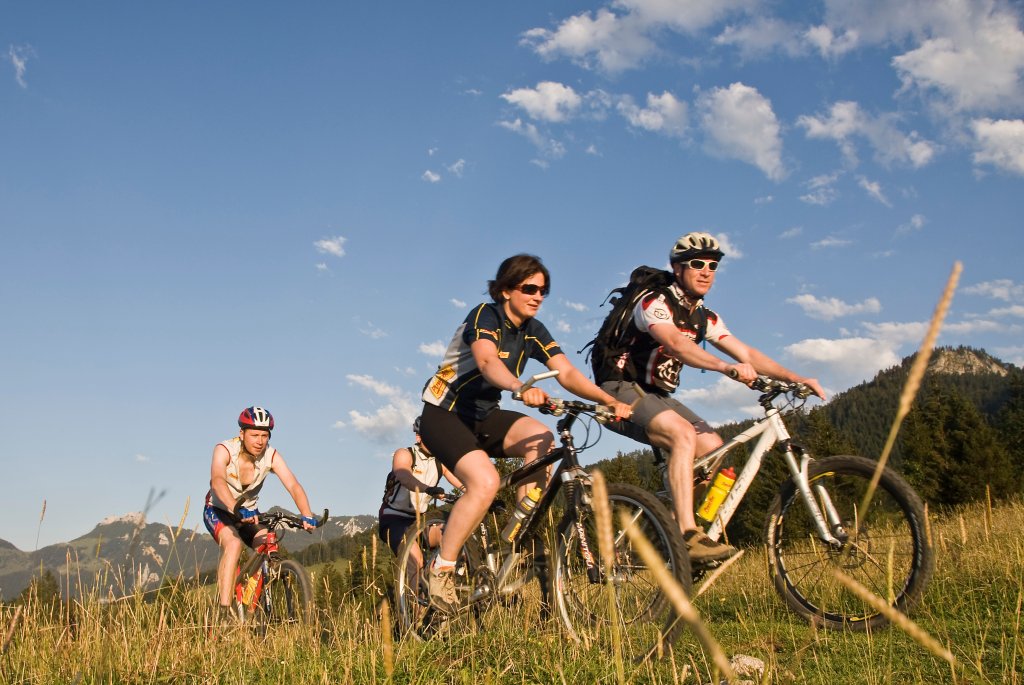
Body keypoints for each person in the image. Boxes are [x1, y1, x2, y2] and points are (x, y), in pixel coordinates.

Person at [418, 254, 633, 613]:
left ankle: (519, 533)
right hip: (444, 414)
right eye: (529, 288)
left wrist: (606, 400)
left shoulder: (534, 330)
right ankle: (441, 568)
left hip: (484, 416)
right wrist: (520, 387)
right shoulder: (485, 316)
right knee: (485, 482)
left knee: (543, 440)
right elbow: (487, 362)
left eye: (544, 291)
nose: (537, 296)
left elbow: (566, 373)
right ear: (505, 290)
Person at [596, 232, 826, 564]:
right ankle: (688, 537)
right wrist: (726, 368)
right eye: (697, 264)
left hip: (656, 395)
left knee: (717, 454)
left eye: (713, 265)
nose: (706, 271)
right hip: (618, 387)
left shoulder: (705, 317)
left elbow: (746, 351)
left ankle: (670, 529)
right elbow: (676, 343)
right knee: (682, 434)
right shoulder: (655, 303)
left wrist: (795, 377)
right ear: (677, 269)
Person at [203, 406, 319, 619]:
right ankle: (224, 612)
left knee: (266, 545)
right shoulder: (225, 449)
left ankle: (249, 607)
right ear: (242, 434)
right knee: (234, 544)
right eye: (254, 434)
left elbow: (293, 484)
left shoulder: (271, 456)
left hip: (249, 513)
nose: (259, 441)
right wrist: (234, 508)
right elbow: (217, 481)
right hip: (219, 509)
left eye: (264, 435)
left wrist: (306, 514)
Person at [378, 416, 464, 561]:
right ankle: (415, 581)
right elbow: (404, 476)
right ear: (419, 437)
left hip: (420, 521)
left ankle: (440, 579)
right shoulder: (405, 454)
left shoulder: (440, 462)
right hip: (394, 519)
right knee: (415, 560)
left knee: (452, 537)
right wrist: (428, 489)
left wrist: (483, 496)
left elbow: (461, 482)